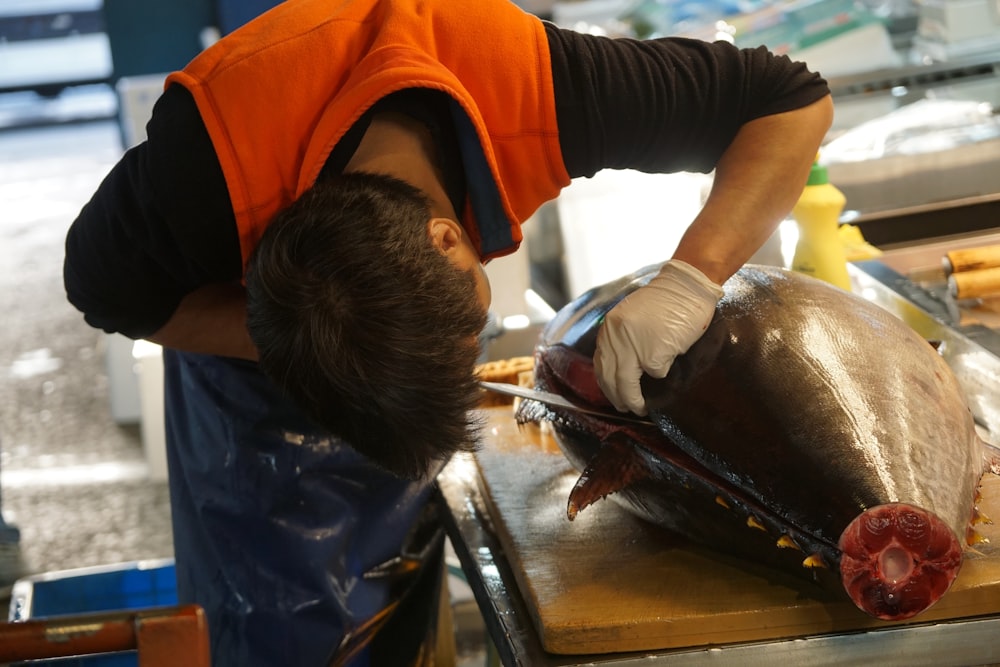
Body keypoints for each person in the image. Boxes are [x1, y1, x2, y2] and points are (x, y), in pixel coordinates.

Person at [64, 0, 833, 663]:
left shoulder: (536, 84)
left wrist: (692, 276)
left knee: (403, 599)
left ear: (446, 236)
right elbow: (101, 292)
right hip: (250, 383)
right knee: (275, 626)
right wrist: (284, 345)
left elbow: (790, 100)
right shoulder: (200, 172)